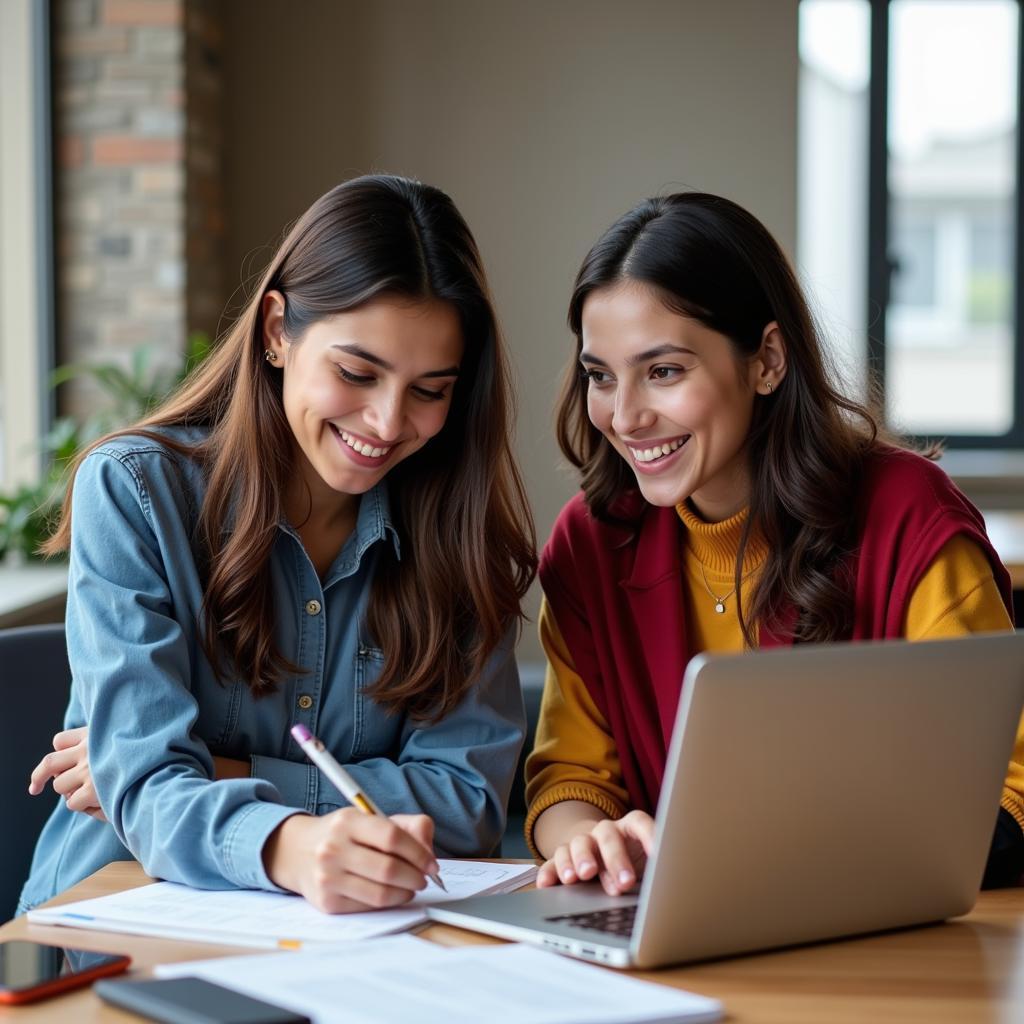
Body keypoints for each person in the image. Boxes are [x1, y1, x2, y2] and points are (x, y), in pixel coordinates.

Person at [20, 174, 536, 916]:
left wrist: (223, 769)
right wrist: (286, 843)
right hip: (119, 925)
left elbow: (465, 805)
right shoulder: (136, 492)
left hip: (361, 946)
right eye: (358, 373)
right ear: (275, 331)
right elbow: (143, 787)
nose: (389, 422)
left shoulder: (460, 540)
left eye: (430, 390)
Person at [525, 191, 1024, 896]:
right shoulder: (590, 543)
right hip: (673, 937)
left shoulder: (909, 516)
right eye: (600, 376)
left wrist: (804, 868)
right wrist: (588, 842)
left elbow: (1009, 786)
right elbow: (570, 778)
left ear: (766, 360)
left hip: (871, 934)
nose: (625, 416)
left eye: (663, 371)